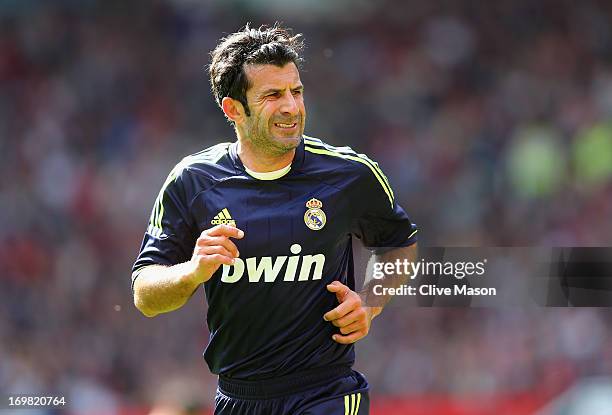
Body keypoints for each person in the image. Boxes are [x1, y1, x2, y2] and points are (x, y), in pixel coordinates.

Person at [132, 23, 418, 415]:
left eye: (295, 91)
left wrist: (370, 301)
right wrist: (192, 272)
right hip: (237, 398)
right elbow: (145, 295)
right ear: (233, 109)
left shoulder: (349, 174)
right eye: (272, 95)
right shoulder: (192, 182)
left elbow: (400, 244)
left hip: (327, 392)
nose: (291, 107)